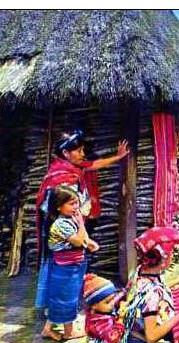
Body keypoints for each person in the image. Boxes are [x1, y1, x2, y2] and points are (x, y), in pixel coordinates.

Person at [35, 130, 128, 325]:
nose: (82, 153)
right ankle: (56, 312)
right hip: (63, 233)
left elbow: (93, 165)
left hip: (75, 227)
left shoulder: (74, 168)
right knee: (61, 274)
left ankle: (65, 308)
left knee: (73, 271)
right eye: (78, 150)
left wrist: (118, 157)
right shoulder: (60, 175)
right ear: (66, 153)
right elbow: (51, 208)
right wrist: (74, 228)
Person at [39, 186, 100, 340]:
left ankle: (48, 329)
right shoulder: (61, 224)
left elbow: (82, 238)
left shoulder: (70, 219)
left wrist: (89, 243)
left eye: (77, 203)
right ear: (59, 207)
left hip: (72, 267)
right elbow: (78, 240)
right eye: (72, 204)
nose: (76, 207)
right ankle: (68, 332)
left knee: (61, 298)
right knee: (67, 299)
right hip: (65, 269)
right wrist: (81, 224)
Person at [83, 273, 127, 343]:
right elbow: (113, 338)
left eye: (113, 298)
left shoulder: (103, 307)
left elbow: (118, 297)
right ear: (94, 305)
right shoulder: (99, 322)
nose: (112, 303)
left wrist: (126, 291)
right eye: (108, 302)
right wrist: (121, 319)